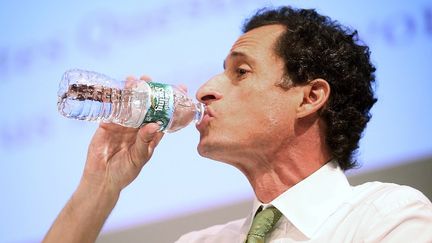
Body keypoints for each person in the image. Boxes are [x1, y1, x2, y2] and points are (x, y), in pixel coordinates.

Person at [43, 6, 432, 243]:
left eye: (240, 72)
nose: (205, 89)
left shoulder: (389, 219)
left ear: (309, 97)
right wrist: (100, 184)